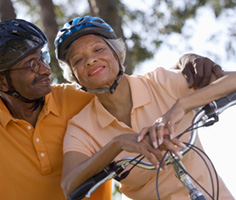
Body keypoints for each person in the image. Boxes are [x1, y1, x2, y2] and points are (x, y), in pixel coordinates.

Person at [0, 18, 222, 200]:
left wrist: (187, 60)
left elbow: (129, 86)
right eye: (32, 64)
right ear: (1, 80)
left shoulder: (76, 100)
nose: (46, 70)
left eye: (43, 58)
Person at [54, 16, 235, 199]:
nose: (90, 60)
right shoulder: (81, 128)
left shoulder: (159, 82)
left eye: (98, 49)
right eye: (78, 60)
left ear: (117, 53)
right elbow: (69, 184)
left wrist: (182, 105)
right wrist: (119, 143)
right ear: (73, 76)